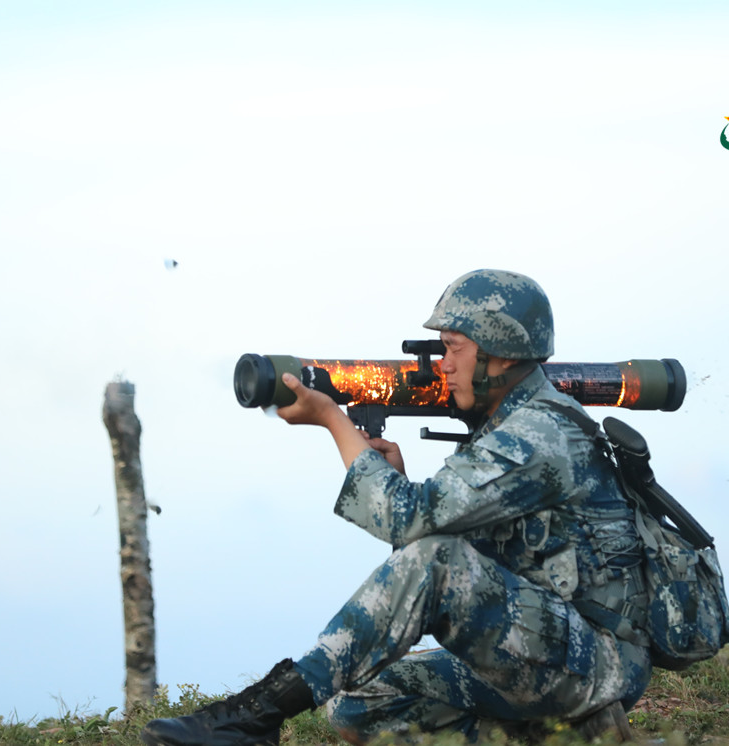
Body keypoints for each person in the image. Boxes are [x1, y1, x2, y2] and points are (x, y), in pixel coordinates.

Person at [141, 269, 651, 746]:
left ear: (500, 356)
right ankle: (582, 734)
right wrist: (396, 478)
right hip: (542, 644)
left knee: (436, 561)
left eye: (454, 350)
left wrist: (334, 422)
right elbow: (454, 550)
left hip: (594, 662)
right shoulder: (504, 426)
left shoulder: (538, 432)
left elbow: (428, 548)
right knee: (354, 705)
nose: (443, 366)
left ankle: (257, 716)